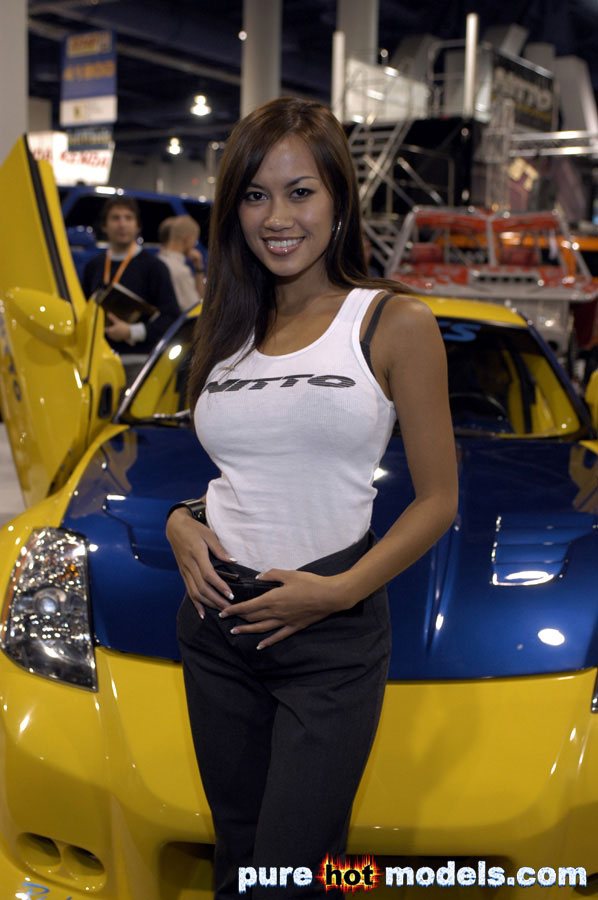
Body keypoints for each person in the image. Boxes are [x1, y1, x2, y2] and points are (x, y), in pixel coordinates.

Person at [166, 97, 458, 899]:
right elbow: (246, 472)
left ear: (338, 198)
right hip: (217, 623)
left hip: (329, 630)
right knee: (237, 850)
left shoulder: (394, 321)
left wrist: (338, 592)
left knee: (292, 870)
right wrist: (182, 520)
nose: (277, 218)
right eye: (255, 195)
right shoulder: (226, 323)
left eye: (300, 192)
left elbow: (438, 500)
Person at [81, 196, 180, 359]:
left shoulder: (154, 267)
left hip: (137, 358)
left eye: (128, 218)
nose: (122, 224)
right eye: (115, 218)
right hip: (96, 356)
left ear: (137, 226)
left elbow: (171, 317)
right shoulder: (94, 266)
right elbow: (83, 307)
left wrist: (131, 332)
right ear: (104, 226)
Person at [158, 214, 206, 310]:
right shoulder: (180, 271)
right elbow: (195, 308)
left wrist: (198, 267)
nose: (194, 245)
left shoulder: (158, 260)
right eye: (195, 240)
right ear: (187, 239)